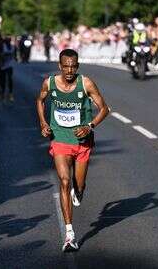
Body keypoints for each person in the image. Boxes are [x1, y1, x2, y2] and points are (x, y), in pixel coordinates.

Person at [36, 49, 109, 252]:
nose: (69, 70)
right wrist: (43, 122)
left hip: (83, 141)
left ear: (78, 66)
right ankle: (70, 235)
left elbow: (105, 109)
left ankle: (79, 190)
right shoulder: (49, 83)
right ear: (60, 66)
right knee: (65, 181)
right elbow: (39, 100)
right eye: (66, 66)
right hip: (60, 138)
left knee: (78, 185)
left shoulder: (86, 83)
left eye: (73, 66)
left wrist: (90, 126)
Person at [0, 37, 15, 102]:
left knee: (10, 79)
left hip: (10, 65)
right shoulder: (2, 46)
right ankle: (2, 93)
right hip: (3, 65)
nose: (8, 42)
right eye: (7, 41)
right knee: (3, 80)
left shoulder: (12, 47)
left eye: (9, 41)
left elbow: (14, 54)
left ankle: (10, 93)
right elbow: (0, 55)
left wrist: (16, 58)